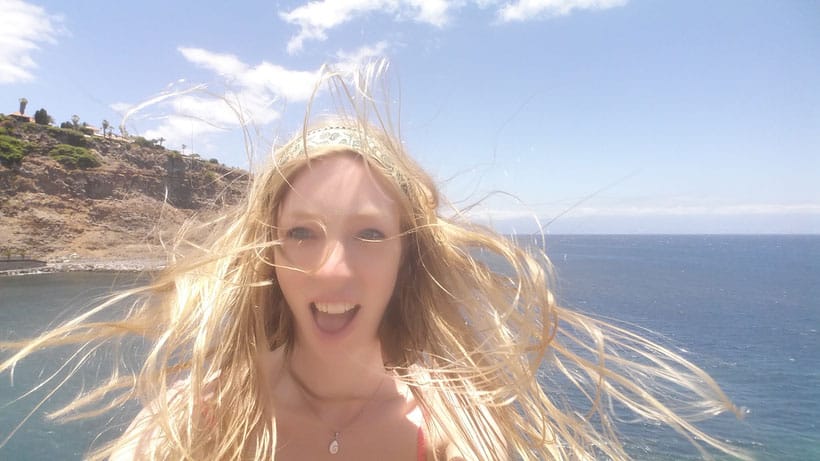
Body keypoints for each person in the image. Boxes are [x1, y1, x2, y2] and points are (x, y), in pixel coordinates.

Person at [1, 62, 750, 461]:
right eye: (301, 234)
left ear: (408, 256)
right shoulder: (204, 418)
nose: (333, 270)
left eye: (368, 234)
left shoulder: (451, 430)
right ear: (267, 254)